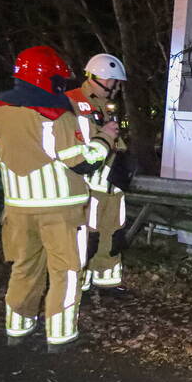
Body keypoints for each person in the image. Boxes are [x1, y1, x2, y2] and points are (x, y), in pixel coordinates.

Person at [0, 46, 117, 351]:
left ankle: (17, 328)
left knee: (24, 267)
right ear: (47, 79)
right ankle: (61, 336)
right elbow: (82, 161)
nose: (61, 86)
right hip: (60, 210)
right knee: (66, 271)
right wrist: (105, 137)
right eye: (58, 80)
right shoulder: (55, 115)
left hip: (17, 207)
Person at [66, 53, 129, 295]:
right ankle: (79, 285)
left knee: (112, 233)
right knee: (86, 237)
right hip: (87, 183)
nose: (116, 87)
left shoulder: (106, 104)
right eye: (114, 82)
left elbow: (115, 141)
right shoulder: (70, 102)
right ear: (101, 77)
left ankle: (107, 282)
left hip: (111, 182)